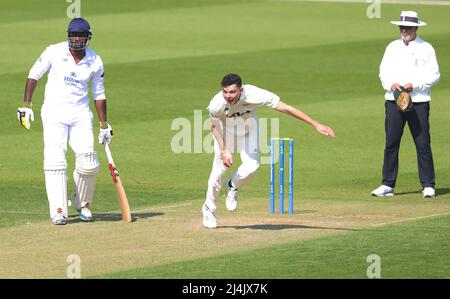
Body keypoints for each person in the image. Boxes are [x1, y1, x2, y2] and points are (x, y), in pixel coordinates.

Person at [201, 73, 336, 229]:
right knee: (218, 173)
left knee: (252, 167)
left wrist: (315, 124)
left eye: (232, 92)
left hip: (248, 131)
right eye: (225, 91)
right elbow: (214, 127)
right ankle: (208, 209)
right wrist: (225, 151)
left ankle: (233, 185)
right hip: (225, 134)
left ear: (241, 89)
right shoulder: (216, 103)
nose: (228, 96)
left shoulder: (255, 95)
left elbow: (286, 108)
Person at [17, 18, 113, 225]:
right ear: (68, 36)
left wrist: (104, 125)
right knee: (55, 161)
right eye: (73, 35)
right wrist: (26, 104)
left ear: (88, 38)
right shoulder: (54, 51)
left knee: (88, 160)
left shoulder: (95, 61)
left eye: (80, 36)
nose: (76, 39)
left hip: (80, 114)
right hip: (54, 112)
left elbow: (99, 94)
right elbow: (34, 75)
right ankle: (58, 210)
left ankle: (83, 205)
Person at [371, 11, 440, 198]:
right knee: (391, 142)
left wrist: (414, 85)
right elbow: (383, 72)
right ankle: (387, 184)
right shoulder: (392, 47)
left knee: (422, 142)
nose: (405, 30)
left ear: (416, 28)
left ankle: (428, 184)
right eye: (402, 27)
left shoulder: (427, 48)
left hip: (418, 102)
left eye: (408, 27)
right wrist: (391, 84)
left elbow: (435, 75)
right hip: (393, 101)